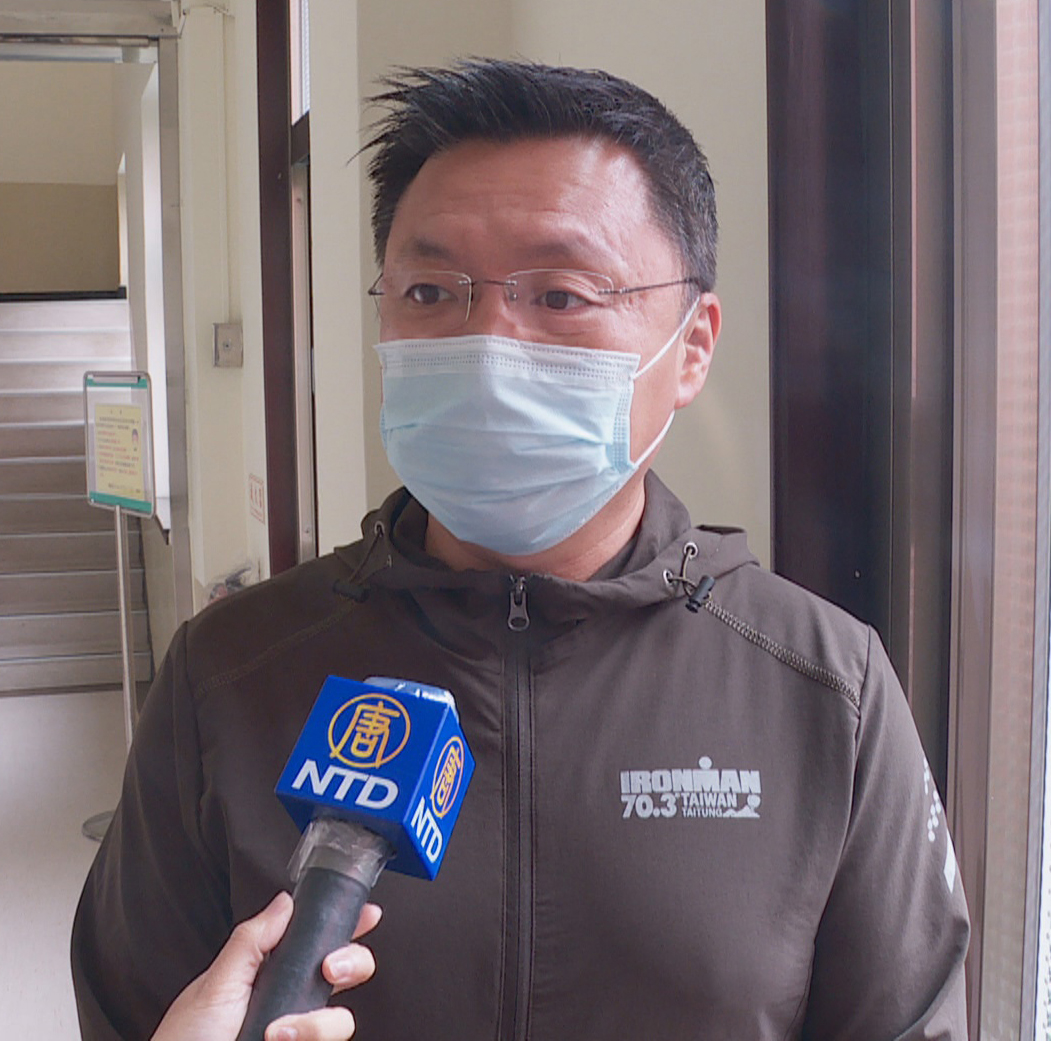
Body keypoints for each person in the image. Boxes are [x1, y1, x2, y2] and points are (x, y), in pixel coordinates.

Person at [72, 58, 970, 1040]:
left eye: (562, 295)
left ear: (692, 346)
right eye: (429, 290)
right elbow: (131, 1008)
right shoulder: (229, 670)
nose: (490, 346)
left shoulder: (824, 688)